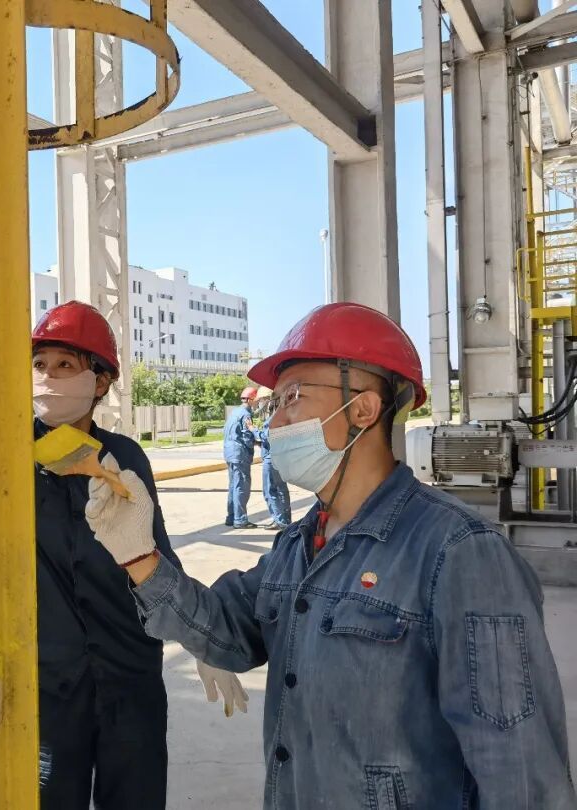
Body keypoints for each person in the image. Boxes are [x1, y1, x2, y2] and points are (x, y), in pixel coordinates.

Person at [85, 302, 576, 809]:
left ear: (362, 409)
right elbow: (227, 634)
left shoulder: (459, 552)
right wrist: (140, 556)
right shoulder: (298, 545)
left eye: (293, 397)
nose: (276, 421)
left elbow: (521, 772)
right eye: (274, 404)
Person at [0, 199, 246, 809]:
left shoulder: (123, 457)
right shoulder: (3, 445)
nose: (47, 375)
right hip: (47, 685)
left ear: (101, 381)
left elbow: (156, 552)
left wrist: (201, 640)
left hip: (130, 675)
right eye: (39, 363)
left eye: (66, 364)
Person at [223, 385, 259, 528]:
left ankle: (231, 517)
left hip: (229, 453)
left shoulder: (235, 412)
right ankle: (240, 520)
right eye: (257, 401)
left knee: (233, 485)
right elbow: (246, 436)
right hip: (240, 454)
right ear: (250, 400)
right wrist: (258, 441)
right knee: (242, 486)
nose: (257, 404)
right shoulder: (246, 414)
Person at [255, 387, 291, 531]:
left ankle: (279, 520)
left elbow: (267, 436)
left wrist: (253, 430)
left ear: (269, 400)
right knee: (281, 489)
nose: (260, 403)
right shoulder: (281, 415)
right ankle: (285, 519)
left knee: (270, 490)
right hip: (279, 456)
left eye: (262, 400)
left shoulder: (273, 418)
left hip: (271, 458)